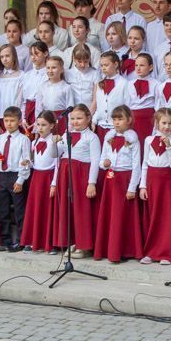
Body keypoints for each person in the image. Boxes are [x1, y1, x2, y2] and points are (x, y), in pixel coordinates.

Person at [95, 106, 143, 263]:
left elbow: (136, 165)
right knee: (111, 214)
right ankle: (108, 249)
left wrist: (132, 188)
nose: (116, 122)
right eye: (114, 119)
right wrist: (104, 163)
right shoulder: (109, 138)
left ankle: (123, 250)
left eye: (120, 119)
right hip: (111, 180)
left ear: (129, 120)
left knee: (122, 215)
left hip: (125, 180)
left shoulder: (133, 140)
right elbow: (102, 160)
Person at [53, 105, 101, 258]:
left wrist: (91, 182)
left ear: (88, 118)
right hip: (65, 175)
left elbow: (95, 161)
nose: (75, 122)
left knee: (81, 209)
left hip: (81, 175)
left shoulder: (92, 137)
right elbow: (54, 155)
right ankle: (71, 241)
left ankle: (84, 245)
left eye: (79, 118)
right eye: (72, 118)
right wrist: (54, 143)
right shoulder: (66, 134)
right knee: (68, 208)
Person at [140, 108, 171, 265]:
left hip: (166, 182)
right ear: (157, 123)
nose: (167, 126)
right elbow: (145, 163)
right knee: (152, 216)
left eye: (170, 123)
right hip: (152, 180)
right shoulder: (148, 140)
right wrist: (142, 186)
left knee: (165, 216)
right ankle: (150, 252)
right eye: (164, 123)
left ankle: (166, 252)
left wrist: (169, 147)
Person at [0, 108, 31, 252]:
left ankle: (21, 240)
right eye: (6, 120)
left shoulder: (24, 139)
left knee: (19, 210)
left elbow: (26, 161)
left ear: (19, 122)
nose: (9, 124)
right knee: (3, 210)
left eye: (12, 121)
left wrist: (20, 180)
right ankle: (5, 239)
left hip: (16, 176)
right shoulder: (0, 138)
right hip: (2, 176)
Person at [20, 111, 59, 253]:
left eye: (44, 125)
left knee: (48, 211)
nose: (40, 128)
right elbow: (33, 162)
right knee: (35, 209)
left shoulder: (54, 141)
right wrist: (27, 163)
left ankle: (49, 243)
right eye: (38, 125)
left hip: (48, 177)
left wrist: (54, 183)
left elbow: (57, 164)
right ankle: (33, 241)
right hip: (36, 178)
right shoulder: (34, 142)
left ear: (52, 126)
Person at [93, 51, 129, 143]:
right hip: (101, 127)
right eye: (101, 65)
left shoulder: (124, 83)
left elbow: (127, 106)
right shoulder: (99, 84)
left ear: (116, 64)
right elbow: (99, 107)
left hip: (117, 128)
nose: (103, 68)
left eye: (106, 65)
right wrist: (94, 121)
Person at [126, 54, 159, 147]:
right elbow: (126, 103)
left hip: (149, 119)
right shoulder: (129, 84)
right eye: (136, 65)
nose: (138, 68)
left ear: (150, 67)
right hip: (133, 119)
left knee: (146, 144)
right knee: (133, 144)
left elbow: (158, 104)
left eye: (142, 65)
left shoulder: (156, 84)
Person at [0, 45, 23, 131]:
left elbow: (19, 99)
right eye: (2, 57)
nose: (4, 59)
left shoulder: (21, 75)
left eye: (7, 56)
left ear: (14, 56)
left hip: (13, 117)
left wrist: (16, 116)